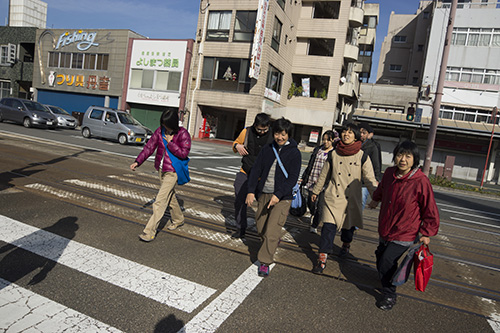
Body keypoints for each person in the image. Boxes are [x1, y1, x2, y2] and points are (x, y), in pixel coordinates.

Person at [368, 140, 439, 311]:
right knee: (381, 256)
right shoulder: (390, 173)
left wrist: (426, 232)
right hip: (386, 225)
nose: (403, 159)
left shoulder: (420, 180)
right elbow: (382, 189)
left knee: (387, 260)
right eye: (400, 155)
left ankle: (389, 294)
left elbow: (430, 208)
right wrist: (375, 200)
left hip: (406, 230)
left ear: (415, 159)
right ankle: (386, 277)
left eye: (408, 156)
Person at [310, 122, 378, 274]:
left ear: (356, 136)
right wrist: (316, 191)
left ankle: (346, 244)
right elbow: (324, 174)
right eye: (344, 132)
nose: (346, 135)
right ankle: (322, 259)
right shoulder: (333, 154)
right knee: (328, 229)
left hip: (351, 199)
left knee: (348, 229)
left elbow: (370, 179)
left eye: (350, 133)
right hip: (333, 196)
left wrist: (376, 197)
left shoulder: (363, 156)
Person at [245, 117, 301, 277]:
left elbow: (292, 178)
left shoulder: (294, 153)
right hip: (264, 193)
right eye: (277, 133)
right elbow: (256, 169)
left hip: (282, 198)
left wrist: (278, 194)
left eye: (283, 134)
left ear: (288, 134)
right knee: (261, 227)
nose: (280, 137)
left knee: (272, 231)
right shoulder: (268, 148)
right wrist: (250, 190)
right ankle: (272, 241)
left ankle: (264, 261)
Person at [130, 109, 191, 242]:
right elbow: (149, 147)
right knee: (170, 197)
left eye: (167, 124)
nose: (165, 127)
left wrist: (170, 143)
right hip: (161, 170)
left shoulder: (183, 134)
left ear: (174, 123)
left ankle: (149, 232)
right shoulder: (160, 131)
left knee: (160, 201)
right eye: (163, 124)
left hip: (173, 171)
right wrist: (138, 161)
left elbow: (183, 153)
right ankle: (178, 219)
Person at [231, 113, 273, 239]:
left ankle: (265, 233)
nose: (261, 132)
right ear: (255, 125)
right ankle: (240, 228)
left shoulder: (273, 135)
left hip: (264, 176)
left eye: (264, 130)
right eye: (259, 129)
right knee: (239, 200)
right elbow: (235, 143)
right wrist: (237, 146)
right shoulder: (247, 132)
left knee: (265, 205)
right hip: (246, 171)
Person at [300, 130, 337, 234]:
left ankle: (314, 224)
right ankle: (313, 213)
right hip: (312, 180)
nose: (325, 142)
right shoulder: (317, 150)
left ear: (332, 140)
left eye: (328, 140)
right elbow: (310, 165)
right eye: (324, 139)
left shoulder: (334, 153)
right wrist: (304, 177)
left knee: (320, 207)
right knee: (310, 202)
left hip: (324, 184)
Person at [359, 122, 382, 210]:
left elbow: (376, 164)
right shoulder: (353, 145)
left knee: (360, 204)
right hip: (351, 179)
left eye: (364, 133)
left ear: (368, 134)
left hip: (364, 181)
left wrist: (376, 178)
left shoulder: (372, 147)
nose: (361, 134)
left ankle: (356, 224)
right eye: (360, 132)